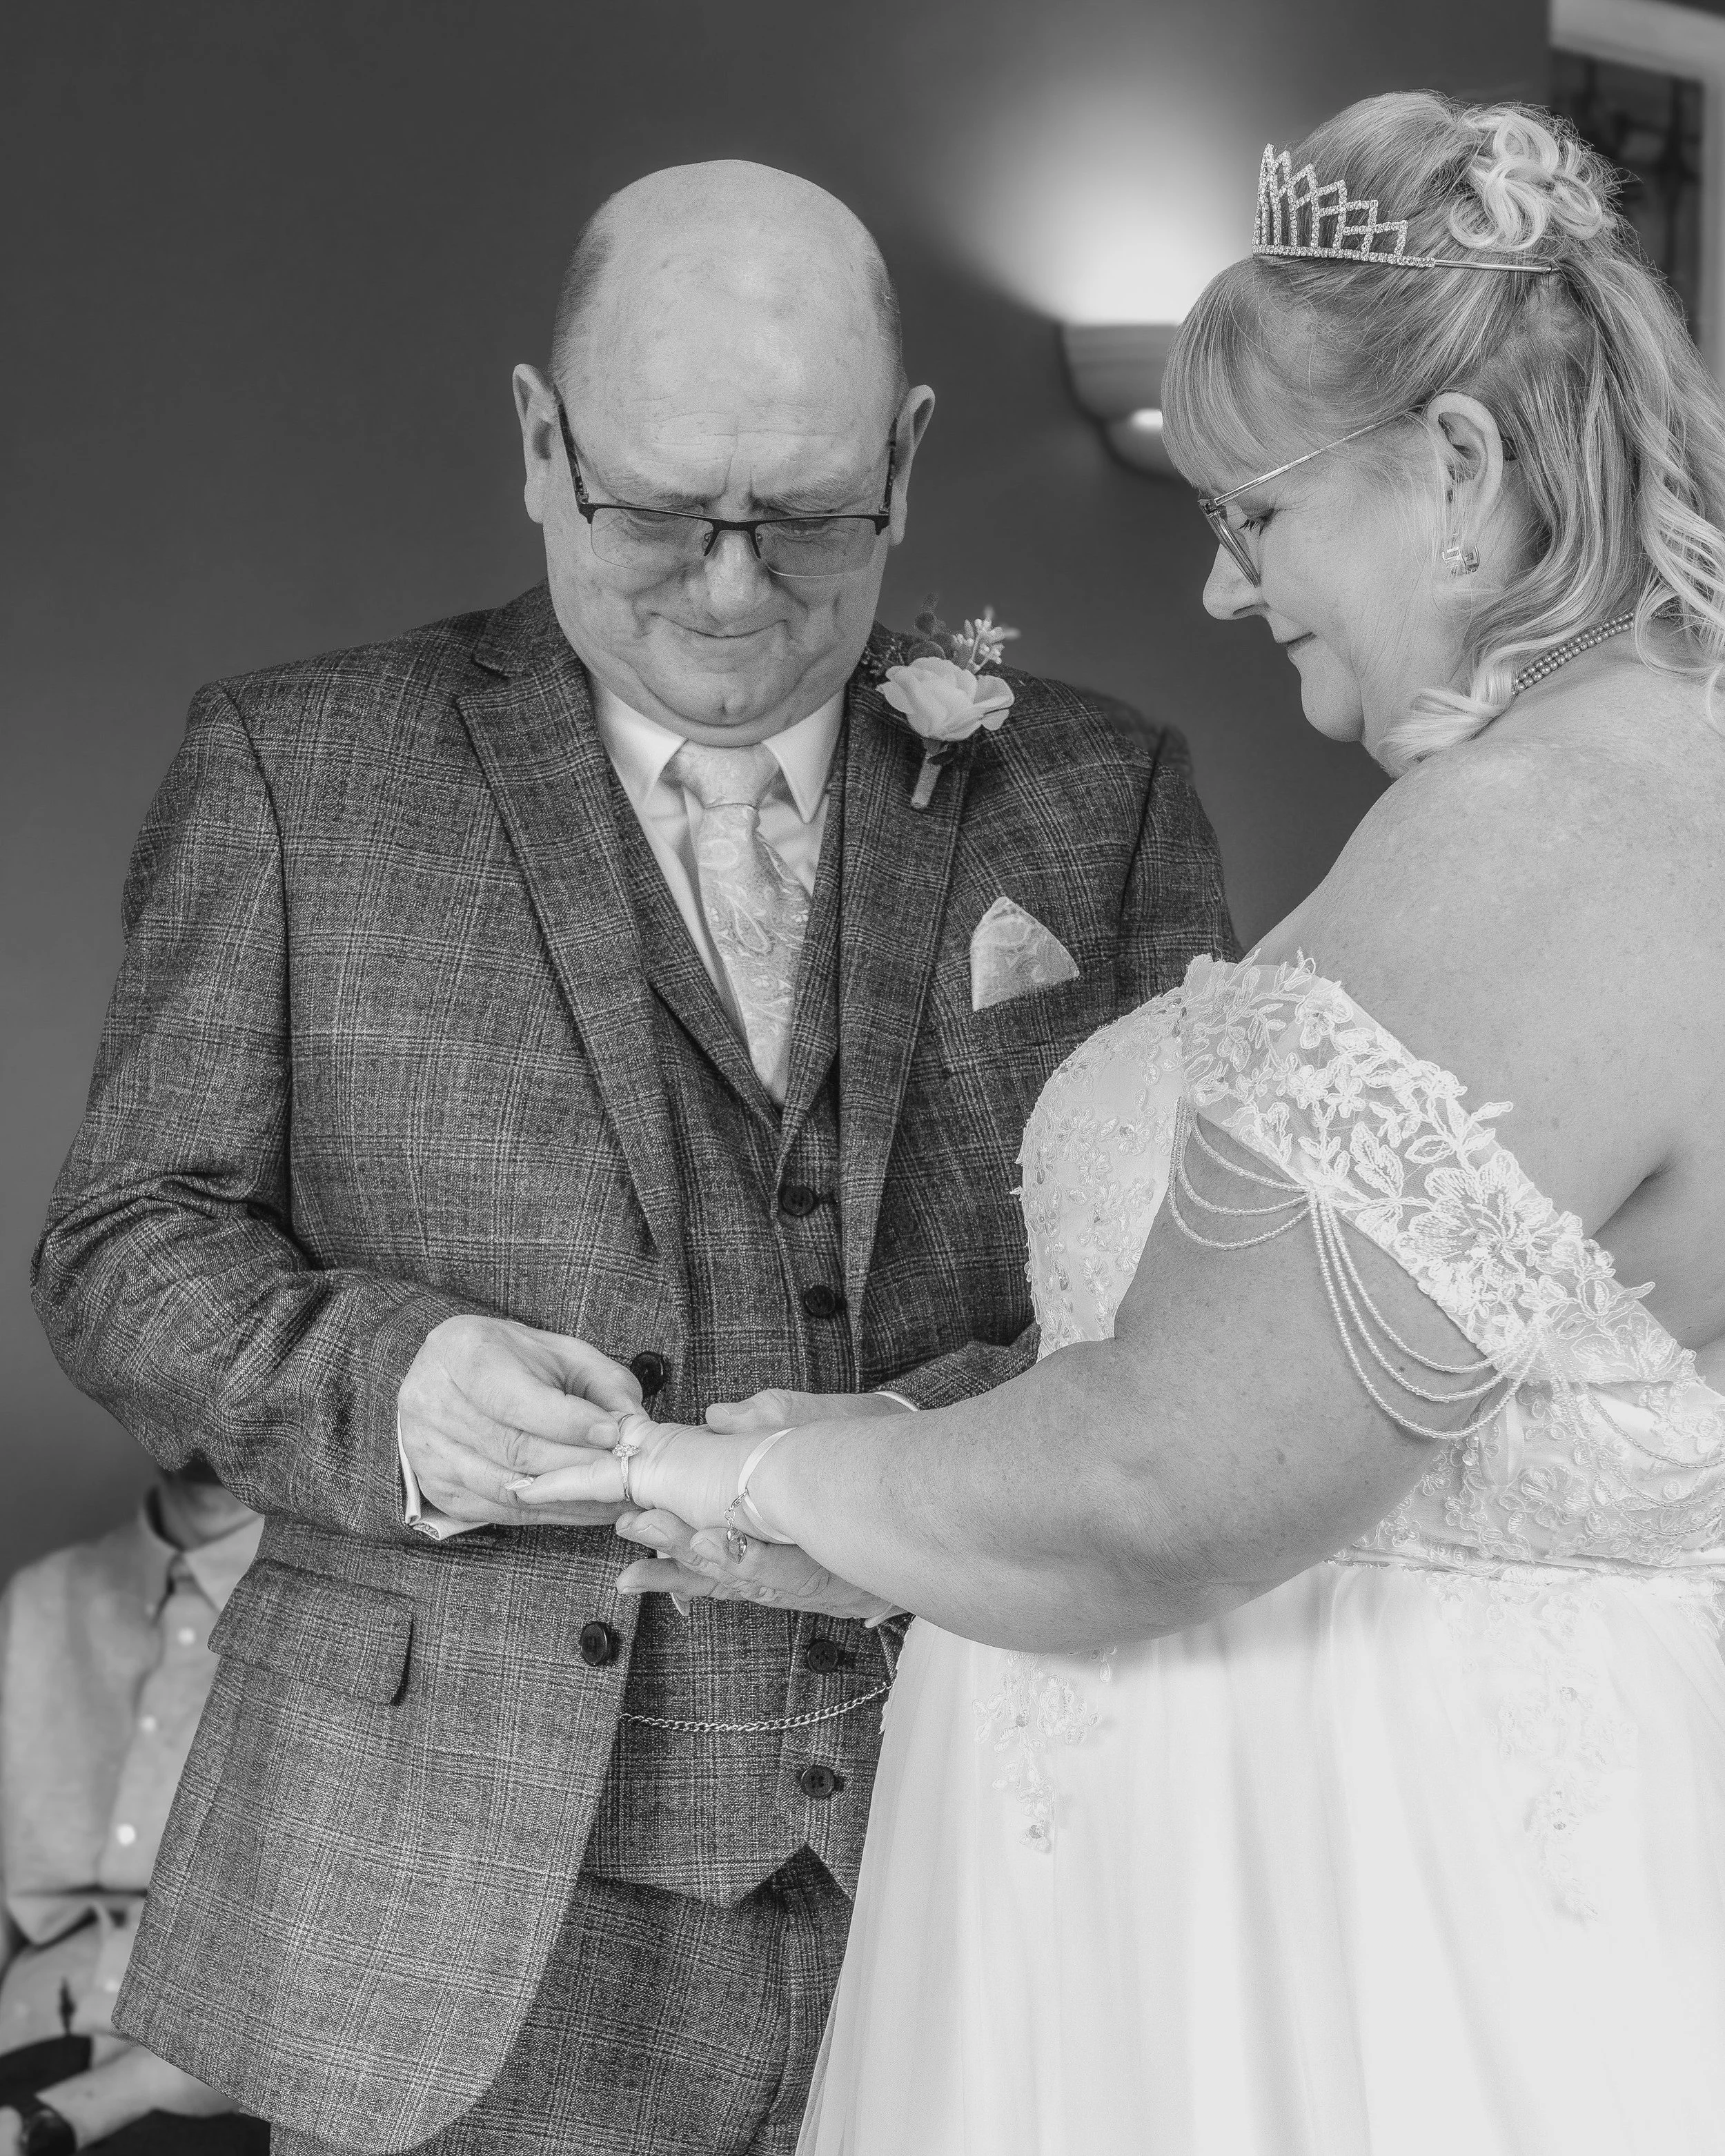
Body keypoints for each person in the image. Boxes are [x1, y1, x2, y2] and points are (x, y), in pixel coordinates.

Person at [530, 97, 1725, 2153]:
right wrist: (904, 1459)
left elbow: (1171, 1472)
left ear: (1449, 475)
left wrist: (734, 1482)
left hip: (1340, 1958)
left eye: (1252, 514)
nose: (1218, 585)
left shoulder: (1533, 833)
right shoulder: (1644, 787)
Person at [30, 161, 1235, 2154]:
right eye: (663, 511)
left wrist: (886, 1455)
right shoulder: (297, 768)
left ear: (910, 459)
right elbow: (123, 1240)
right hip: (448, 1913)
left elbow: (1184, 1305)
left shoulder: (1099, 797)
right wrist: (392, 1378)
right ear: (536, 441)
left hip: (982, 1849)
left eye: (811, 513)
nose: (739, 587)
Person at [0, 1465, 266, 2156]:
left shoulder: (352, 1625)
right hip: (26, 2035)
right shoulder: (39, 1600)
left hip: (212, 2087)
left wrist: (44, 2120)